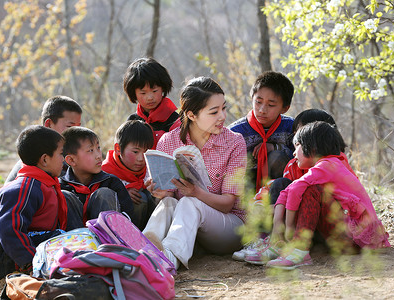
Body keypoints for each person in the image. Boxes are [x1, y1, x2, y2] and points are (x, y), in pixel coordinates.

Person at [142, 77, 247, 271]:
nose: (222, 116)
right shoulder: (169, 141)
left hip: (230, 226)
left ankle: (167, 261)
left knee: (190, 202)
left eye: (223, 108)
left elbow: (228, 204)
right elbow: (170, 197)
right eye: (214, 112)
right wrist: (160, 192)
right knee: (168, 203)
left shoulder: (234, 142)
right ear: (191, 115)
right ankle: (143, 250)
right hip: (189, 228)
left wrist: (196, 192)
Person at [266, 121, 390, 270]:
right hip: (349, 238)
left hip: (355, 240)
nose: (293, 153)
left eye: (297, 145)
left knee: (312, 191)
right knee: (307, 188)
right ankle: (290, 247)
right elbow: (288, 190)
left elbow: (293, 190)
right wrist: (278, 223)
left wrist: (289, 228)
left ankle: (299, 249)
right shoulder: (328, 165)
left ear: (312, 148)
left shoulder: (327, 165)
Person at [0, 126, 68, 281]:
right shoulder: (25, 188)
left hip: (10, 249)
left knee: (62, 238)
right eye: (61, 154)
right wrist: (31, 264)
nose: (63, 158)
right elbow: (9, 231)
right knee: (59, 238)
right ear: (44, 159)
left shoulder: (46, 182)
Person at [228, 71, 294, 193]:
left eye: (271, 105)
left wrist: (275, 147)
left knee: (277, 157)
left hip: (277, 187)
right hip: (243, 186)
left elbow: (300, 160)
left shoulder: (291, 127)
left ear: (285, 108)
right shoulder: (235, 131)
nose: (262, 110)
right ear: (252, 98)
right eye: (258, 102)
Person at [59, 126, 135, 230]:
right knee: (65, 196)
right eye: (90, 150)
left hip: (107, 241)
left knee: (104, 194)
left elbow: (129, 215)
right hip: (74, 242)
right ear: (71, 160)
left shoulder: (111, 182)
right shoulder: (61, 186)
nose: (98, 155)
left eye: (98, 148)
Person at [5, 95, 82, 184]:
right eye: (69, 126)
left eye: (78, 127)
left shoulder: (71, 154)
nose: (76, 132)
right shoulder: (34, 161)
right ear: (48, 124)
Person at [102, 120, 156, 230]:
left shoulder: (149, 169)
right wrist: (122, 193)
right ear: (118, 149)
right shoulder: (106, 170)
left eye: (146, 152)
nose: (141, 159)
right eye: (135, 152)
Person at [123, 57, 180, 149]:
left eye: (154, 91)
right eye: (143, 93)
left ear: (163, 88)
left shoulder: (174, 120)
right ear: (134, 93)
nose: (150, 97)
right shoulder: (132, 121)